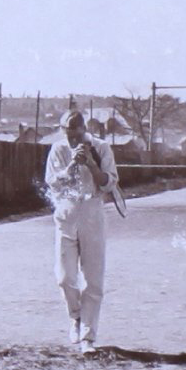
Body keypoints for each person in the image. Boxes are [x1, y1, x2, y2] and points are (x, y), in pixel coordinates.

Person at [44, 110, 119, 354]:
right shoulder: (57, 149)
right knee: (64, 277)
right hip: (66, 212)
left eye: (75, 134)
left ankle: (88, 337)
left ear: (83, 129)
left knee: (94, 279)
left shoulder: (101, 147)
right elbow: (53, 182)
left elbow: (109, 182)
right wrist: (72, 165)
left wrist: (89, 163)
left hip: (92, 212)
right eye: (67, 134)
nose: (72, 140)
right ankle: (75, 316)